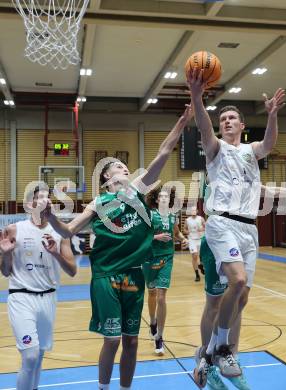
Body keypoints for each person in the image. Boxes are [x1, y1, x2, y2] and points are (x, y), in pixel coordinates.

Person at [41, 105, 193, 390]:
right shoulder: (98, 204)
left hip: (134, 275)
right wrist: (50, 217)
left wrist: (182, 122)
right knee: (111, 339)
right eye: (119, 167)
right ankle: (103, 387)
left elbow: (163, 152)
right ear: (107, 178)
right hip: (106, 276)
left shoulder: (137, 191)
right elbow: (69, 230)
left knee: (132, 340)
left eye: (126, 167)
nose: (126, 169)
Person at [187, 65, 285, 383]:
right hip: (221, 224)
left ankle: (214, 351)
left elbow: (269, 144)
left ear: (242, 125)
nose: (227, 122)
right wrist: (197, 97)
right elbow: (203, 128)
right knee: (237, 282)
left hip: (249, 228)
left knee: (241, 299)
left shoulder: (250, 151)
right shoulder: (216, 149)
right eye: (223, 119)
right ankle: (222, 351)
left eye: (233, 118)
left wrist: (271, 115)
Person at [197, 184, 286, 390]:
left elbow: (261, 188)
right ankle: (209, 364)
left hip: (244, 234)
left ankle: (231, 357)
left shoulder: (244, 165)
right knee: (215, 303)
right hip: (219, 236)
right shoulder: (218, 161)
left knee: (238, 297)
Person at [0, 186, 76, 390]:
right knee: (30, 356)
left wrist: (56, 254)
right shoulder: (14, 229)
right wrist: (6, 254)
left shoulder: (61, 232)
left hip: (48, 298)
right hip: (21, 297)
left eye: (47, 197)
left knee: (39, 356)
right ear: (28, 205)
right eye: (39, 197)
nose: (44, 200)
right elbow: (6, 272)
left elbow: (72, 271)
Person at [143, 187, 188, 355]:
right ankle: (153, 322)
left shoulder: (172, 216)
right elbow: (139, 235)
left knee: (161, 296)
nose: (163, 198)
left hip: (167, 257)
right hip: (149, 257)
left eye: (166, 196)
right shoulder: (149, 215)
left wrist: (183, 239)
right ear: (156, 199)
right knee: (152, 293)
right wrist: (155, 237)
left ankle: (159, 336)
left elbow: (176, 233)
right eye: (161, 196)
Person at [184, 206, 205, 281]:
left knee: (202, 255)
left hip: (200, 239)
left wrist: (202, 229)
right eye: (191, 210)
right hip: (192, 239)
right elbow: (184, 229)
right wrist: (187, 232)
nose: (193, 212)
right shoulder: (187, 220)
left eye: (194, 210)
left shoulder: (201, 218)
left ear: (196, 211)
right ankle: (197, 274)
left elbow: (206, 227)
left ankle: (201, 265)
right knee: (195, 256)